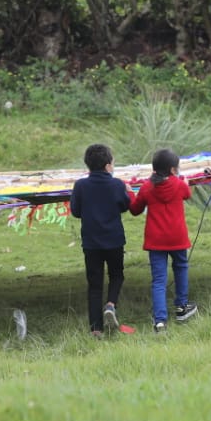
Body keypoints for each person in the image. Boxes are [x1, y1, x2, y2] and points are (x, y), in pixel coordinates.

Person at [129, 148, 197, 332]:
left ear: (154, 168)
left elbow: (135, 210)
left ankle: (160, 321)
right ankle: (182, 307)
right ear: (174, 170)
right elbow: (187, 194)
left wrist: (129, 193)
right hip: (177, 237)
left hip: (156, 240)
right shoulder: (179, 184)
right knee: (181, 268)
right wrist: (186, 182)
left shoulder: (146, 187)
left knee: (159, 279)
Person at [69, 143, 132, 338]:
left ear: (88, 165)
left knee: (94, 284)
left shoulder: (80, 186)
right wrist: (127, 191)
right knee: (117, 275)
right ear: (107, 165)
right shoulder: (117, 184)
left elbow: (76, 211)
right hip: (114, 240)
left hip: (91, 243)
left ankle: (96, 329)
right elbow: (124, 206)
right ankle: (111, 304)